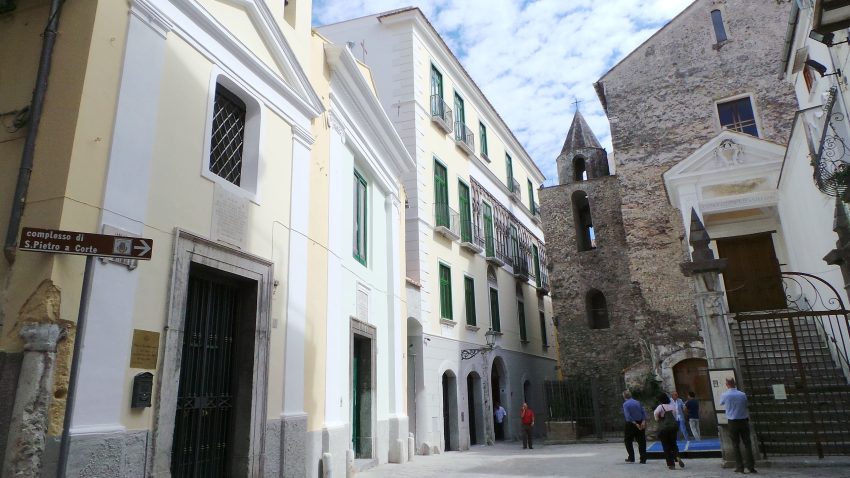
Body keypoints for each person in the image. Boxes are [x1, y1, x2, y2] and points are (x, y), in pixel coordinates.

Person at [720, 377, 757, 474]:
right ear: (735, 384)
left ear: (727, 384)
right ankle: (751, 466)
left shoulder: (725, 395)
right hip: (743, 420)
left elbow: (721, 403)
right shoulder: (742, 394)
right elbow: (746, 405)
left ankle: (740, 467)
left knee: (735, 445)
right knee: (747, 444)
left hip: (732, 421)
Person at [654, 393, 685, 470]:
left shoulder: (660, 407)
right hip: (673, 428)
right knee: (673, 444)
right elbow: (674, 416)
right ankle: (677, 456)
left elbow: (656, 417)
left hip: (664, 429)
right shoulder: (672, 406)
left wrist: (660, 419)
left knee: (666, 446)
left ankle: (671, 464)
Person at [622, 391, 646, 464]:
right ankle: (643, 459)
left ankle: (631, 457)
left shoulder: (625, 404)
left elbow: (627, 416)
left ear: (624, 396)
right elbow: (643, 411)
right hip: (640, 422)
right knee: (641, 441)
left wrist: (635, 423)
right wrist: (643, 421)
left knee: (628, 441)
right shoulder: (638, 402)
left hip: (631, 424)